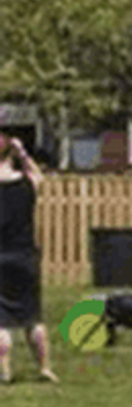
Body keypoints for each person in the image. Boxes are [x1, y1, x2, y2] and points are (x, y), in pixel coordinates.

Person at [0, 134, 56, 384]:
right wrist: (21, 153)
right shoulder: (26, 184)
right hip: (24, 256)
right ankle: (44, 368)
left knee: (1, 320)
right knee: (33, 317)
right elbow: (38, 175)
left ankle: (4, 370)